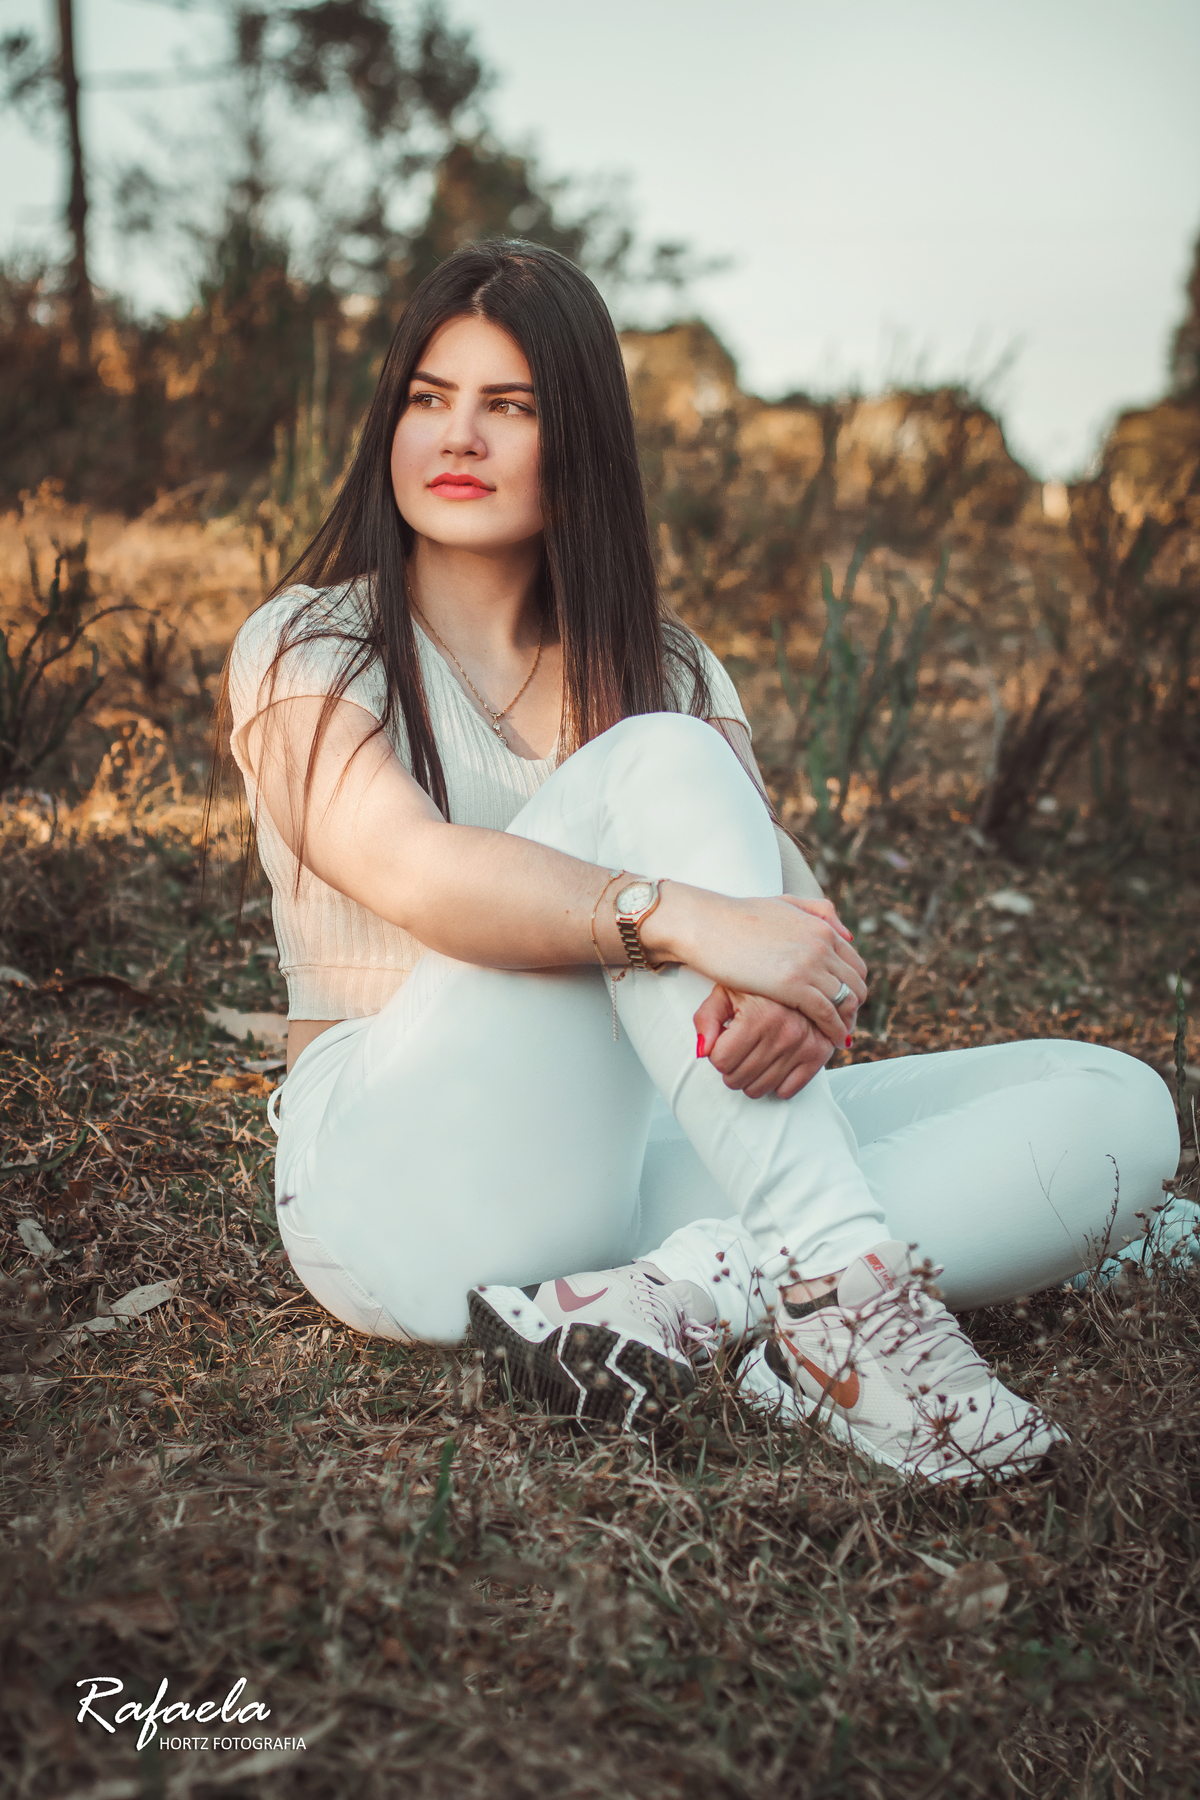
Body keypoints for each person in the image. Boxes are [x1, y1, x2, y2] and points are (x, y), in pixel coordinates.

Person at [221, 239, 1179, 1486]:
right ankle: (838, 1294)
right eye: (428, 397)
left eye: (510, 406)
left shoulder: (663, 664)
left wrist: (795, 980)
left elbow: (785, 902)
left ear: (580, 438)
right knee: (663, 759)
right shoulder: (311, 641)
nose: (458, 436)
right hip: (397, 1178)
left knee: (1116, 1112)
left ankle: (692, 1292)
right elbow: (410, 869)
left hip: (620, 1169)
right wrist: (679, 919)